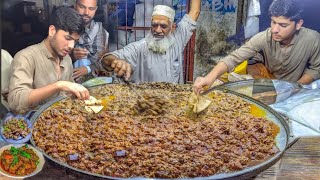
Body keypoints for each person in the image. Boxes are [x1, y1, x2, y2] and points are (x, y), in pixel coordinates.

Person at [193, 0, 320, 94]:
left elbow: (315, 69)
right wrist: (209, 78)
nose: (275, 29)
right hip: (269, 85)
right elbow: (233, 58)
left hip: (296, 91)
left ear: (298, 24)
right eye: (273, 22)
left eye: (283, 25)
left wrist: (295, 88)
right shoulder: (265, 37)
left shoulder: (313, 39)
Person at [8, 6, 90, 113]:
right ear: (52, 31)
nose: (71, 46)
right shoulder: (26, 57)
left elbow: (69, 94)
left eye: (75, 41)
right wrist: (58, 85)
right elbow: (15, 102)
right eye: (68, 38)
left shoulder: (67, 59)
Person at [100, 0, 201, 83]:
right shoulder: (140, 47)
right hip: (149, 103)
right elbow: (106, 59)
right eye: (154, 25)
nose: (157, 30)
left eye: (163, 26)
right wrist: (115, 61)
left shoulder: (179, 37)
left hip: (175, 102)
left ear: (173, 27)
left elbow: (195, 11)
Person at [72, 0, 109, 83]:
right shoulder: (65, 29)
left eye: (91, 9)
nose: (86, 12)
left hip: (94, 80)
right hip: (69, 79)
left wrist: (88, 69)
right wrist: (72, 56)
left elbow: (104, 62)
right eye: (82, 7)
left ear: (96, 9)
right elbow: (55, 60)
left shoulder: (101, 33)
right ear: (75, 6)